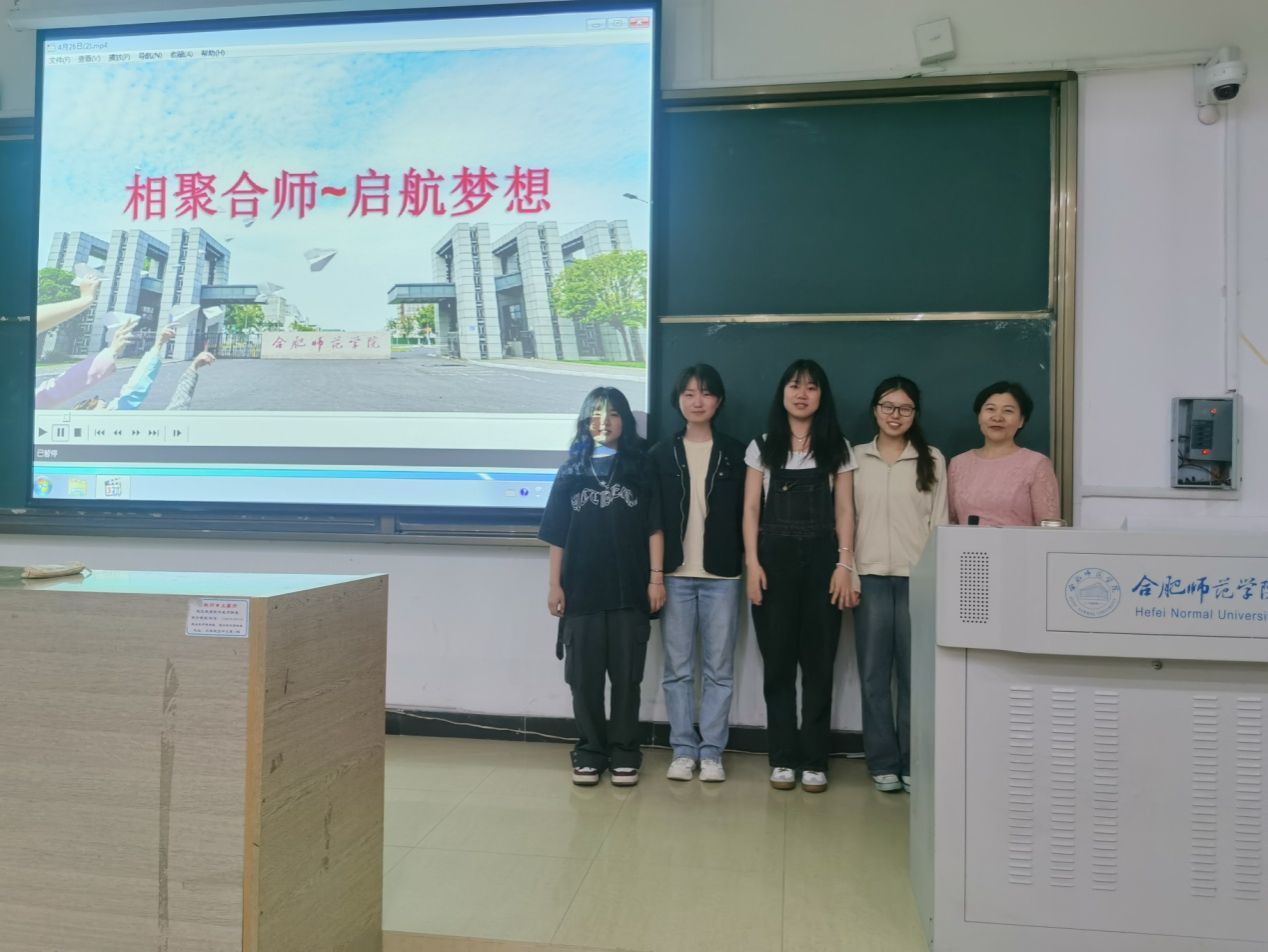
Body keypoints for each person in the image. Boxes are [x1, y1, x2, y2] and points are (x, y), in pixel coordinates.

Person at [539, 387, 665, 787]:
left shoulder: (640, 467)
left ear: (624, 421)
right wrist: (555, 585)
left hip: (630, 591)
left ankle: (625, 752)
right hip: (581, 592)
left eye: (612, 414)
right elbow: (556, 534)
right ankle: (591, 751)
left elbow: (655, 528)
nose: (604, 421)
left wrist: (656, 579)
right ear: (585, 421)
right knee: (584, 679)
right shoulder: (570, 471)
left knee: (627, 679)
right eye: (595, 414)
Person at [743, 358, 859, 794]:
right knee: (777, 663)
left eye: (811, 387)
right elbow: (750, 510)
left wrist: (844, 565)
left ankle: (813, 760)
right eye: (794, 385)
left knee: (818, 663)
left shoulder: (837, 447)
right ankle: (781, 757)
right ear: (783, 393)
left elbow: (845, 510)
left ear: (822, 396)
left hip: (824, 564)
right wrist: (752, 565)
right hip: (772, 563)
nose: (802, 394)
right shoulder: (762, 446)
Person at [649, 364, 746, 783]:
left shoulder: (737, 452)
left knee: (719, 671)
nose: (697, 401)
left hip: (722, 576)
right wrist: (654, 575)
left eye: (705, 393)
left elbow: (749, 514)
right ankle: (683, 749)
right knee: (678, 670)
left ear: (718, 400)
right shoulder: (660, 454)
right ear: (678, 401)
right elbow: (652, 519)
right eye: (688, 393)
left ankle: (712, 753)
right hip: (674, 573)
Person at [852, 376, 948, 794]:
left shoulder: (932, 458)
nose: (896, 415)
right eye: (888, 406)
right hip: (869, 576)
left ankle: (912, 760)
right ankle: (882, 761)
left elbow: (940, 522)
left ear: (915, 414)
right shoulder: (856, 457)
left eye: (905, 408)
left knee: (914, 677)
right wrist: (848, 569)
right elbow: (846, 519)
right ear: (875, 409)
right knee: (873, 676)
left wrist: (934, 578)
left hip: (916, 579)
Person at [948, 381, 1060, 526]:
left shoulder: (1036, 464)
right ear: (979, 416)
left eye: (1008, 411)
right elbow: (950, 521)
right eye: (990, 409)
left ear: (1021, 421)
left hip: (1019, 542)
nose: (997, 417)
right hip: (966, 542)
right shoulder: (958, 464)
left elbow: (1049, 528)